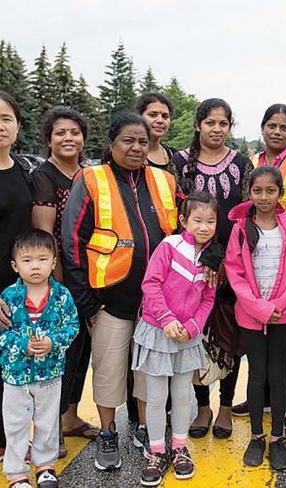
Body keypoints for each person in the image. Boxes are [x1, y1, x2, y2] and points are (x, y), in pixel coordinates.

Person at [61, 112, 179, 471]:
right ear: (111, 143)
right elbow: (72, 242)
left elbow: (186, 232)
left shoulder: (165, 180)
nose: (136, 147)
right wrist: (88, 303)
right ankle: (109, 432)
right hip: (109, 302)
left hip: (155, 305)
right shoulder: (91, 178)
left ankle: (144, 429)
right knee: (109, 371)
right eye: (128, 140)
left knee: (149, 373)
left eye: (142, 141)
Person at [173, 98, 253, 439]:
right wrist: (200, 255)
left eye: (223, 124)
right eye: (210, 123)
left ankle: (225, 408)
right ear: (197, 125)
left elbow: (249, 215)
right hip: (190, 265)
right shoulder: (181, 163)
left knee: (230, 337)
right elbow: (174, 214)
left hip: (234, 265)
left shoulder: (242, 163)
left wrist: (224, 257)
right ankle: (202, 407)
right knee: (197, 337)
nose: (217, 129)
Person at [133, 192, 218, 485]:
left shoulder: (212, 258)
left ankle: (180, 447)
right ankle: (156, 451)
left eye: (211, 221)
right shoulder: (169, 246)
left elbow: (208, 298)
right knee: (156, 397)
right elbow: (151, 284)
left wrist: (194, 327)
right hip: (158, 332)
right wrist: (167, 320)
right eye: (197, 220)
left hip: (188, 336)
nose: (204, 227)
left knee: (183, 395)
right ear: (183, 220)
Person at [236, 104, 286, 430]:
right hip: (256, 248)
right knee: (258, 339)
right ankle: (262, 396)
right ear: (263, 128)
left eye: (283, 126)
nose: (277, 131)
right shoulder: (252, 162)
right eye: (271, 125)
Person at [31, 106, 97, 457]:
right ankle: (50, 428)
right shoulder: (45, 176)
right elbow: (46, 238)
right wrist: (59, 288)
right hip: (61, 280)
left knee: (82, 350)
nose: (68, 138)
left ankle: (71, 417)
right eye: (60, 133)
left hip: (89, 276)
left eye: (74, 132)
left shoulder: (89, 174)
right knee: (60, 355)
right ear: (49, 139)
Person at [225, 166, 286, 470]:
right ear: (249, 193)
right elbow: (235, 271)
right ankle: (257, 436)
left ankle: (277, 438)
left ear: (279, 192)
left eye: (271, 190)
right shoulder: (241, 228)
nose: (264, 196)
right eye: (258, 191)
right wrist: (258, 307)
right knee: (256, 375)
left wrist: (279, 304)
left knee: (277, 374)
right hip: (250, 315)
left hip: (284, 313)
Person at [0, 229, 79, 488]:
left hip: (50, 373)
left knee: (47, 421)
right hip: (16, 375)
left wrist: (53, 343)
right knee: (15, 424)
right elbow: (2, 333)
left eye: (43, 259)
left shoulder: (62, 296)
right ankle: (16, 473)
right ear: (14, 265)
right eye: (27, 260)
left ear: (54, 262)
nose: (35, 266)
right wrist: (22, 344)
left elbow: (72, 326)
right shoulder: (8, 298)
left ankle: (45, 466)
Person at [0, 91, 33, 463]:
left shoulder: (25, 170)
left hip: (22, 288)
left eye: (6, 118)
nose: (0, 126)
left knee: (16, 369)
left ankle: (13, 442)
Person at [136, 92, 177, 175]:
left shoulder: (175, 156)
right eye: (153, 115)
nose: (160, 121)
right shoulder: (130, 155)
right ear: (139, 117)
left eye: (165, 116)